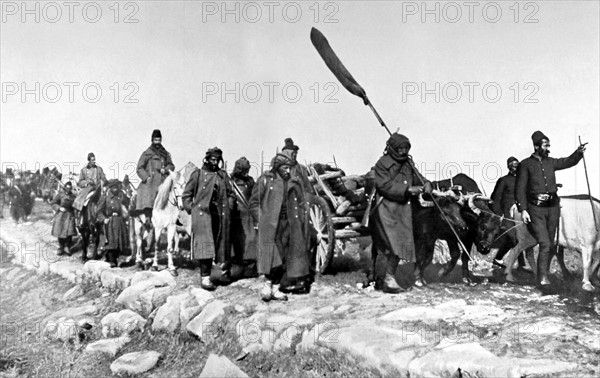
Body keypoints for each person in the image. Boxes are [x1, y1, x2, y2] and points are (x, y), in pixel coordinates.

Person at [515, 130, 585, 286]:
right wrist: (523, 210)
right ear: (536, 146)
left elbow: (568, 161)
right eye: (545, 145)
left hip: (553, 208)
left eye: (548, 145)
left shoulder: (550, 162)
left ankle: (543, 275)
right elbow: (519, 189)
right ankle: (542, 279)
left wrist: (578, 153)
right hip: (535, 210)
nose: (548, 148)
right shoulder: (525, 164)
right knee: (545, 243)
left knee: (551, 244)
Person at [370, 133, 432, 294]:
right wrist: (407, 189)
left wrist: (426, 183)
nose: (403, 152)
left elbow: (418, 177)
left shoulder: (408, 163)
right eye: (400, 148)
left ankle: (389, 278)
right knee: (394, 244)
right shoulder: (382, 164)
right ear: (392, 148)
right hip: (386, 208)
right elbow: (384, 186)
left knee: (403, 243)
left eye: (406, 148)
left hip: (403, 209)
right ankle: (388, 279)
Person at [249, 150, 312, 301]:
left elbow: (303, 202)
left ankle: (276, 288)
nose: (288, 171)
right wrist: (261, 219)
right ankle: (267, 286)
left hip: (289, 224)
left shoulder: (294, 182)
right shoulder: (266, 180)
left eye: (289, 168)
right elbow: (254, 203)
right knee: (273, 256)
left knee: (284, 256)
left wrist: (302, 218)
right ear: (277, 167)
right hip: (271, 225)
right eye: (285, 168)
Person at [182, 147, 234, 291]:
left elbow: (231, 194)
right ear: (207, 159)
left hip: (220, 214)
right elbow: (186, 195)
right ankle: (205, 277)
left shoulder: (222, 176)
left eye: (217, 160)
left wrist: (228, 206)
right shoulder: (197, 175)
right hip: (203, 215)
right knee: (205, 244)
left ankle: (221, 273)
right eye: (212, 159)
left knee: (220, 244)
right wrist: (192, 208)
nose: (215, 162)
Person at [490, 156, 530, 271]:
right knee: (514, 238)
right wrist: (499, 214)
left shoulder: (525, 180)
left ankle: (520, 265)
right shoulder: (504, 180)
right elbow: (495, 198)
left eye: (517, 165)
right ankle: (498, 260)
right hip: (508, 215)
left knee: (521, 238)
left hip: (522, 214)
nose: (515, 168)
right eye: (512, 166)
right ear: (508, 167)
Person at [135, 129, 175, 221]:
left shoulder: (165, 153)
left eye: (159, 140)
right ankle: (147, 218)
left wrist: (165, 170)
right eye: (155, 140)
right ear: (152, 140)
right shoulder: (146, 153)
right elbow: (139, 168)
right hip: (150, 182)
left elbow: (171, 165)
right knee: (148, 199)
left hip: (162, 180)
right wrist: (146, 177)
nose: (157, 142)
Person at [229, 157, 258, 278]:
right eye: (244, 170)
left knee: (251, 239)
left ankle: (249, 265)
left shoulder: (250, 181)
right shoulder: (231, 181)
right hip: (236, 216)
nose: (246, 173)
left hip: (248, 215)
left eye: (248, 170)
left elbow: (256, 194)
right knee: (237, 241)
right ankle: (237, 264)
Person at [97, 179, 130, 267]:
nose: (116, 189)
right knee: (110, 241)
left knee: (120, 241)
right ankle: (110, 259)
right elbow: (99, 210)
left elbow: (128, 203)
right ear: (110, 187)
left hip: (119, 220)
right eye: (114, 187)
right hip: (110, 221)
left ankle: (117, 258)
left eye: (117, 187)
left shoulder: (121, 194)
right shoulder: (106, 196)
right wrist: (103, 219)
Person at [51, 181, 77, 256]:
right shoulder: (60, 195)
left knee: (70, 231)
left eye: (70, 188)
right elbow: (53, 203)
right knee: (60, 230)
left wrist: (75, 214)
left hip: (70, 215)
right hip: (61, 215)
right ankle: (61, 247)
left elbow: (76, 206)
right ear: (65, 188)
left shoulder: (73, 196)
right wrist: (59, 208)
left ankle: (67, 246)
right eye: (67, 188)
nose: (68, 189)